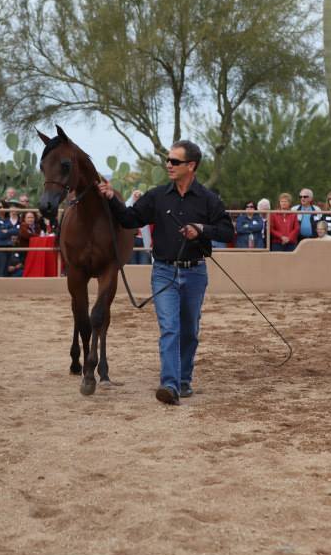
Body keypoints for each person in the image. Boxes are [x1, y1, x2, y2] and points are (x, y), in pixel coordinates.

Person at [97, 139, 233, 405]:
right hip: (163, 272)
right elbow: (129, 219)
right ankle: (169, 385)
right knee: (169, 327)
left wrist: (201, 229)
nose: (168, 165)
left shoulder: (209, 199)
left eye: (174, 161)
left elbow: (228, 231)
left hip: (195, 273)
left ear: (191, 166)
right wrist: (112, 198)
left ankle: (183, 381)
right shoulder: (156, 196)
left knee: (189, 330)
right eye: (168, 160)